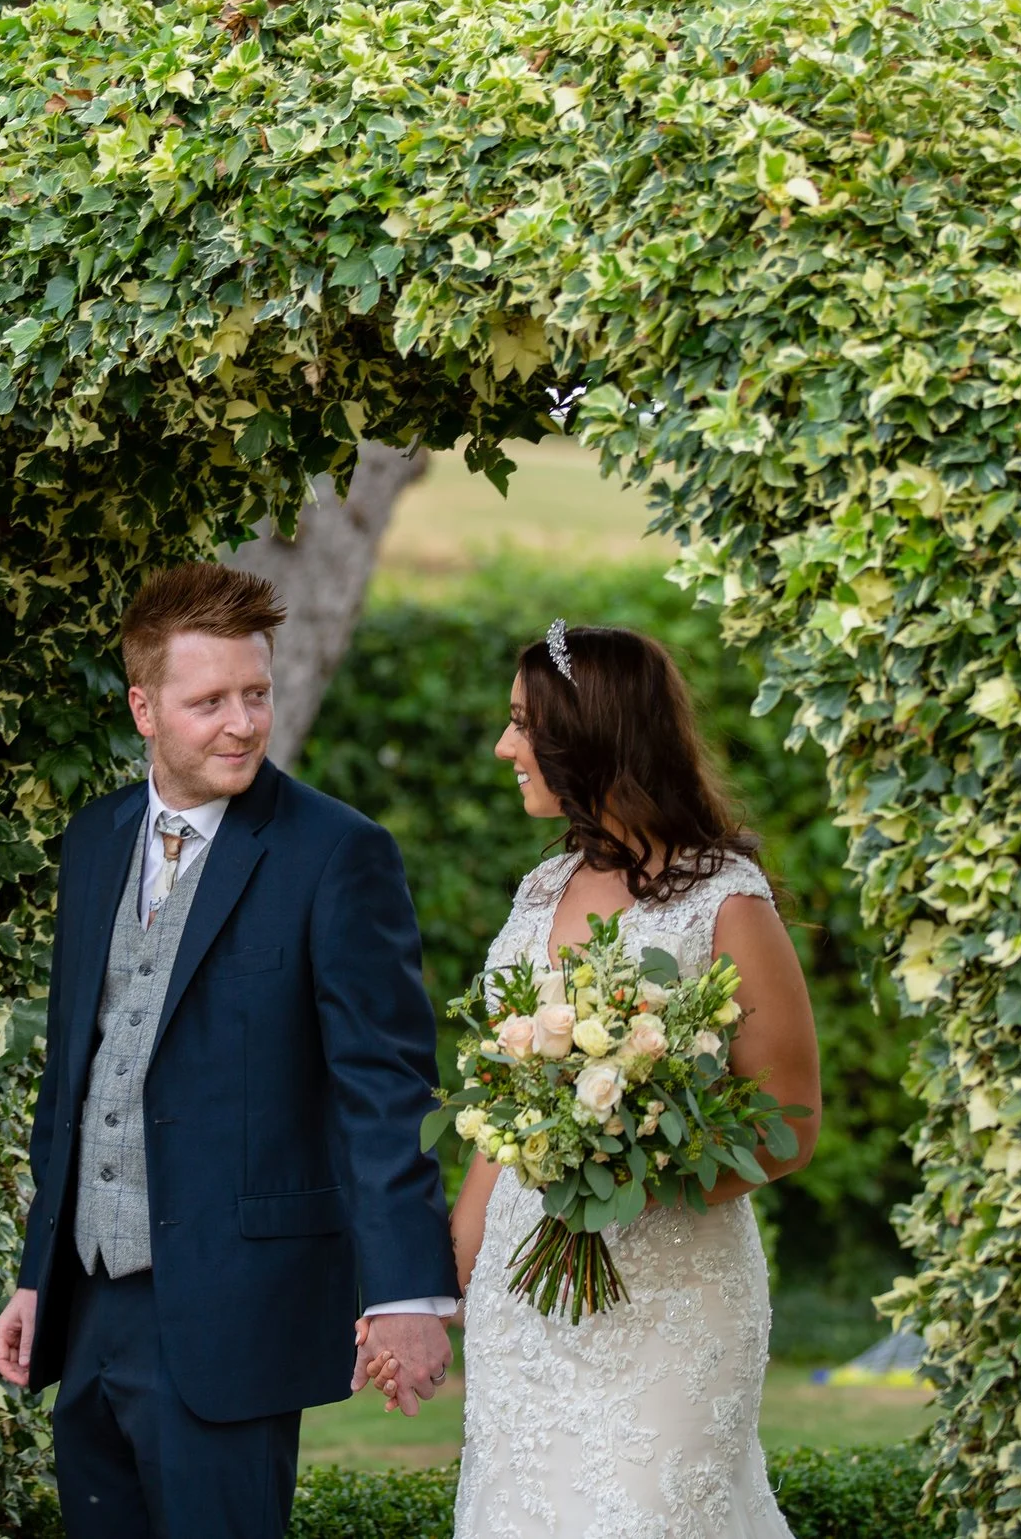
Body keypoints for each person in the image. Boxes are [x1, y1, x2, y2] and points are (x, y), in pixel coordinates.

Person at [0, 561, 458, 1539]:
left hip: (236, 1303)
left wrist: (409, 1290)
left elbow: (385, 1088)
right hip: (90, 1298)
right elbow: (74, 1071)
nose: (243, 722)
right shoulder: (94, 840)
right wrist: (38, 1274)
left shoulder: (336, 851)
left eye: (256, 693)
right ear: (144, 706)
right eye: (209, 701)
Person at [364, 620, 822, 1538]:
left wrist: (638, 1177)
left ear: (592, 736)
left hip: (674, 1302)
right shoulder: (540, 891)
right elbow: (505, 1113)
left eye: (524, 724)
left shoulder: (724, 898)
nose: (504, 747)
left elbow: (792, 1121)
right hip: (525, 1306)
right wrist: (436, 1290)